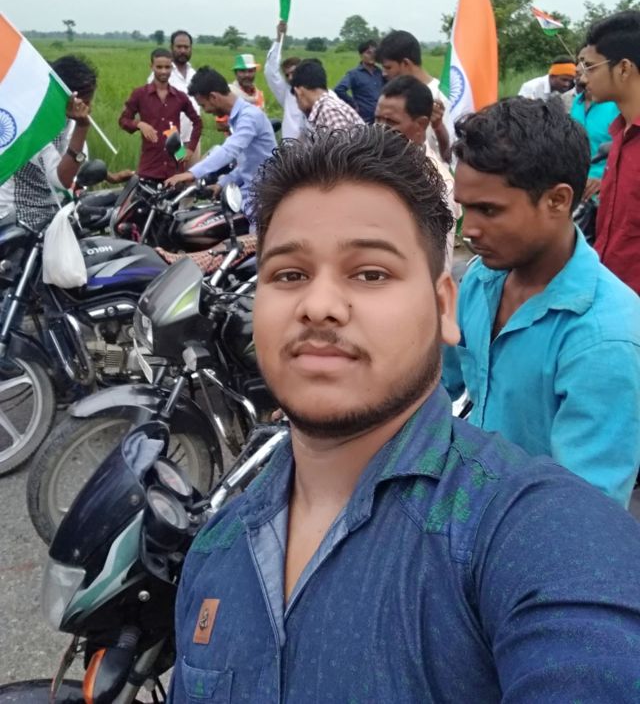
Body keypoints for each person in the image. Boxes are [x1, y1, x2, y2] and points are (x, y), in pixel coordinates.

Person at [170, 126, 640, 703]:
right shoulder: (216, 548)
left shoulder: (537, 533)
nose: (318, 305)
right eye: (289, 275)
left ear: (443, 306)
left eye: (371, 273)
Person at [441, 96, 640, 507]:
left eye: (488, 210)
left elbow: (583, 510)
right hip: (467, 501)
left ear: (557, 201)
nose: (469, 229)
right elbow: (439, 384)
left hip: (524, 531)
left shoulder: (605, 340)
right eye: (465, 209)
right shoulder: (481, 280)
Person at [581, 10, 640, 294]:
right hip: (612, 291)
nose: (583, 79)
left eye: (591, 68)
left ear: (624, 68)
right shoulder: (620, 133)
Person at [375, 75, 460, 268]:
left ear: (421, 124)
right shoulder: (372, 162)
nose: (379, 129)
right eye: (377, 119)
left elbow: (438, 267)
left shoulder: (438, 186)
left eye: (390, 122)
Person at [6, 56, 97, 229]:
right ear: (71, 97)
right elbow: (61, 179)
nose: (89, 108)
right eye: (86, 102)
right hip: (24, 217)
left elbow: (76, 164)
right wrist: (82, 127)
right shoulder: (39, 123)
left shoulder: (64, 120)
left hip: (51, 209)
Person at [164, 67, 276, 204]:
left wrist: (191, 173)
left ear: (213, 97)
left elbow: (229, 150)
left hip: (263, 195)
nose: (206, 111)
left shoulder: (249, 117)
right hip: (248, 191)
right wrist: (222, 184)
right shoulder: (237, 118)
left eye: (203, 105)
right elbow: (247, 165)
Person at [119, 48, 202, 183]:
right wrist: (139, 124)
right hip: (150, 164)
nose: (163, 71)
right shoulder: (140, 94)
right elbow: (123, 120)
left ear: (172, 68)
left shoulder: (179, 96)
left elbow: (197, 122)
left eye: (167, 67)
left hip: (176, 164)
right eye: (159, 67)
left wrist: (190, 149)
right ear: (151, 67)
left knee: (178, 195)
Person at [377, 29, 453, 161]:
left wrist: (439, 127)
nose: (383, 73)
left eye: (388, 67)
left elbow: (450, 154)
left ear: (406, 63)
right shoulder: (392, 94)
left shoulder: (440, 97)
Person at [570, 46, 619, 202]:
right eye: (578, 62)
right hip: (576, 188)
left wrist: (603, 180)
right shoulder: (574, 103)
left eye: (587, 64)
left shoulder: (618, 106)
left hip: (607, 192)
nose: (578, 69)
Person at [147, 30, 202, 165]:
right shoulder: (161, 74)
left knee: (193, 175)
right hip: (170, 140)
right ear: (171, 47)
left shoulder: (194, 74)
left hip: (192, 139)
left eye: (186, 47)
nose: (183, 50)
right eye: (179, 47)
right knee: (175, 174)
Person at [290, 59, 363, 134]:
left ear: (298, 92)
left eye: (296, 98)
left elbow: (342, 141)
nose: (298, 106)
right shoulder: (329, 106)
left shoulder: (328, 111)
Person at [264, 21, 305, 140]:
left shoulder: (318, 93)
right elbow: (270, 71)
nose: (290, 77)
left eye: (293, 73)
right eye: (287, 75)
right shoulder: (287, 93)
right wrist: (279, 38)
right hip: (290, 147)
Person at [334, 38, 384, 123]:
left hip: (381, 119)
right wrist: (353, 104)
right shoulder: (354, 74)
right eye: (368, 53)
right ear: (361, 55)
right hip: (364, 120)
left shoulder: (381, 73)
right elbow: (339, 89)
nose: (372, 56)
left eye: (374, 53)